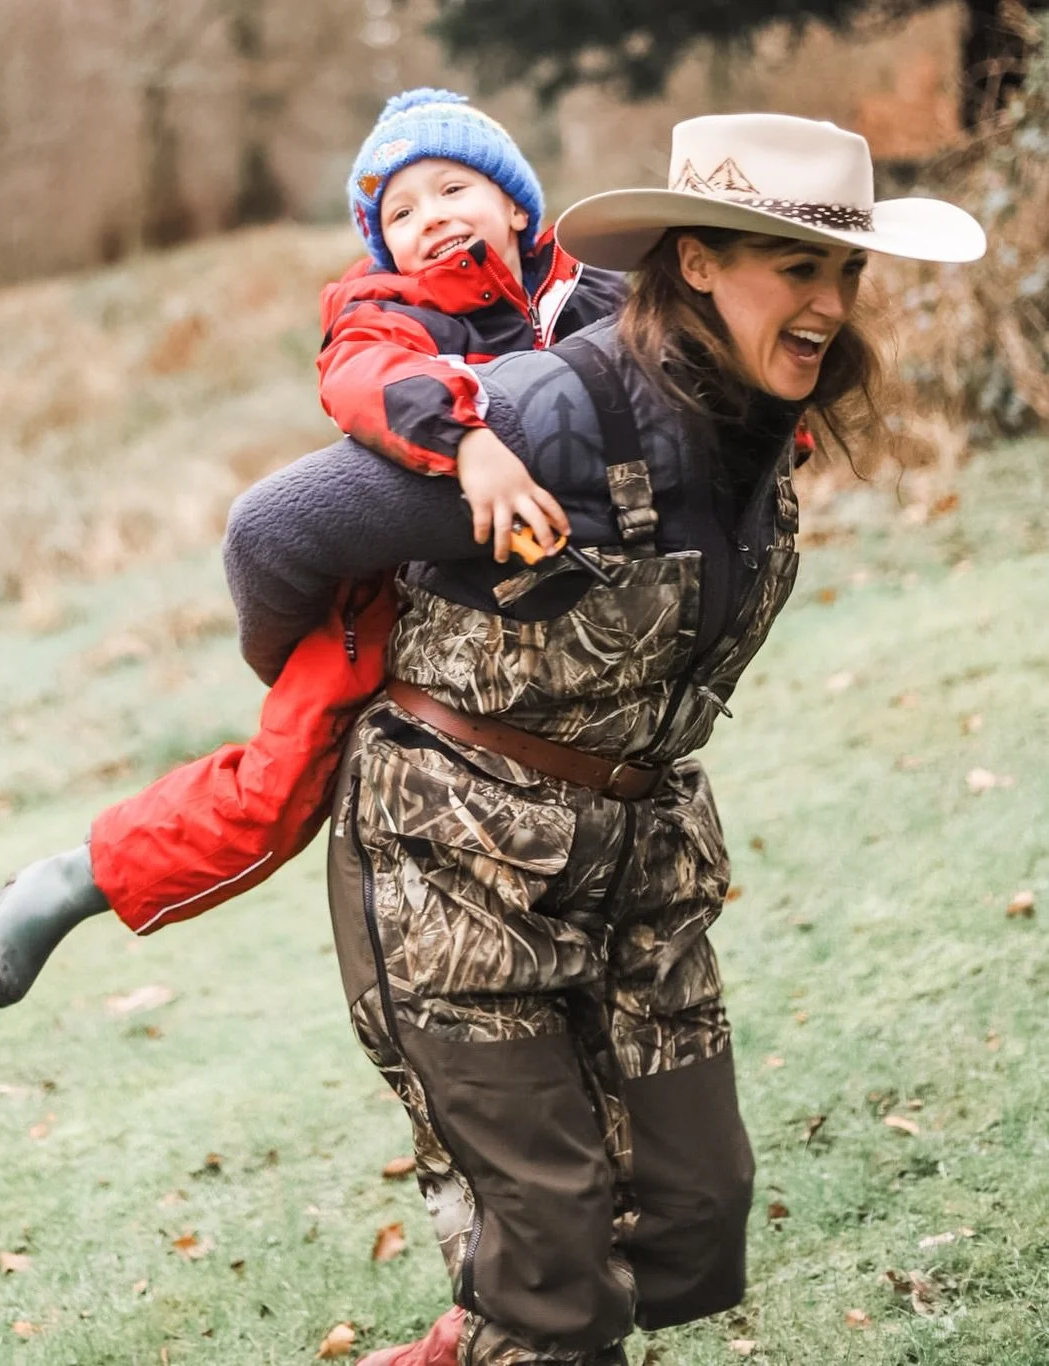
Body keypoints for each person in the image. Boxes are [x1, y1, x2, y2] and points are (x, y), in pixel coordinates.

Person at [218, 113, 984, 1364]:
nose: (829, 305)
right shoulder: (549, 413)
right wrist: (332, 681)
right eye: (796, 268)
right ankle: (527, 1315)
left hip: (639, 870)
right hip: (450, 865)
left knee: (694, 1215)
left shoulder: (752, 426)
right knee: (556, 1262)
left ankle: (500, 1319)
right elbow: (272, 534)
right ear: (694, 264)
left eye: (844, 272)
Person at [0, 89, 626, 1005]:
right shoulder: (384, 313)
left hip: (575, 636)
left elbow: (693, 373)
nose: (430, 220)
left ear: (517, 202)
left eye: (453, 191)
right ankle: (82, 878)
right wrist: (469, 439)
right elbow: (369, 381)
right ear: (381, 243)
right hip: (384, 596)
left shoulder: (592, 289)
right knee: (280, 784)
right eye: (400, 212)